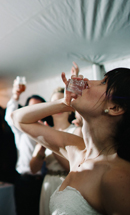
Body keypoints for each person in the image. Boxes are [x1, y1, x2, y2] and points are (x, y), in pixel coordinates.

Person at [12, 67, 130, 214]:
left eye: (103, 82)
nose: (86, 81)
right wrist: (65, 102)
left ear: (114, 107)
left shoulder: (117, 176)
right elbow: (18, 118)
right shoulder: (77, 150)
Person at [30, 88, 77, 215]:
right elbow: (33, 169)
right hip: (48, 183)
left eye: (63, 102)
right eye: (54, 104)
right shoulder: (45, 131)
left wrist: (50, 143)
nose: (58, 107)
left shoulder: (76, 132)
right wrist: (41, 149)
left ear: (70, 108)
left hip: (69, 184)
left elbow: (71, 168)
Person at [6, 79, 48, 215]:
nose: (34, 112)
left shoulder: (49, 130)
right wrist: (15, 96)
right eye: (30, 108)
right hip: (24, 181)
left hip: (44, 182)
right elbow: (9, 116)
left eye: (38, 108)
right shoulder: (21, 129)